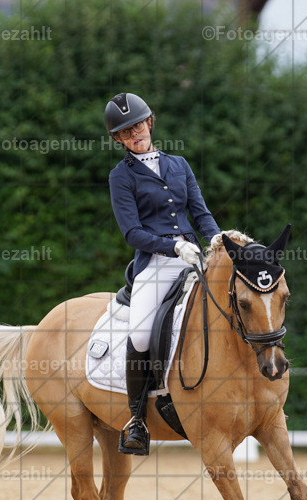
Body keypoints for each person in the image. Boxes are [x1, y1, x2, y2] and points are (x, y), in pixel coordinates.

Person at [106, 92, 221, 455]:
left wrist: (216, 239)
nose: (135, 133)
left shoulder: (179, 164)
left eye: (138, 124)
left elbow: (200, 213)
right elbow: (131, 232)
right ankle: (137, 419)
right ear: (119, 140)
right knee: (140, 334)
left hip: (193, 256)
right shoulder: (120, 177)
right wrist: (172, 247)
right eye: (126, 131)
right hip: (156, 262)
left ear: (150, 122)